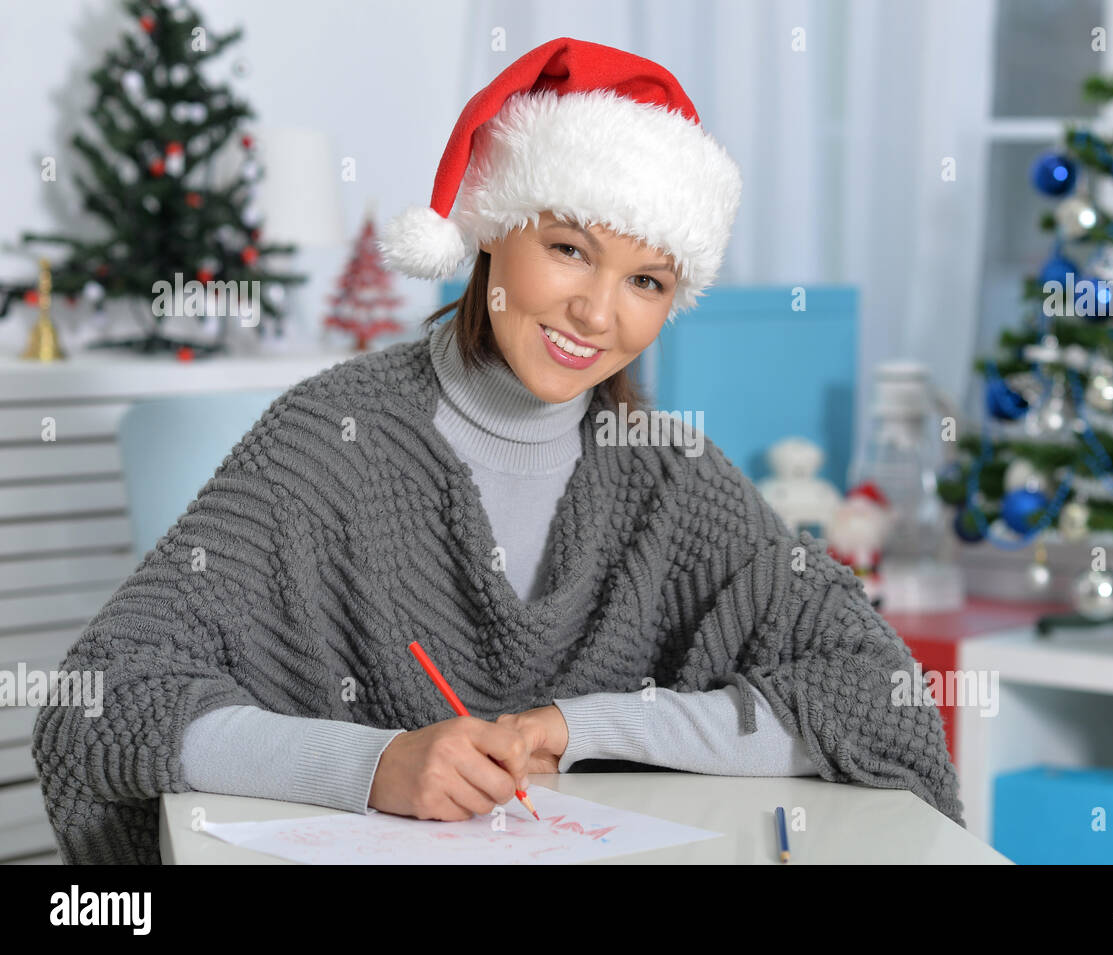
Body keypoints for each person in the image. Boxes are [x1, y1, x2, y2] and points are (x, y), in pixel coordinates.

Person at [31, 37, 962, 865]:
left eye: (646, 279)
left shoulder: (670, 473)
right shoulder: (330, 439)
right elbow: (98, 699)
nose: (599, 312)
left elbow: (876, 691)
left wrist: (583, 728)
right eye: (568, 248)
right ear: (489, 232)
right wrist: (372, 765)